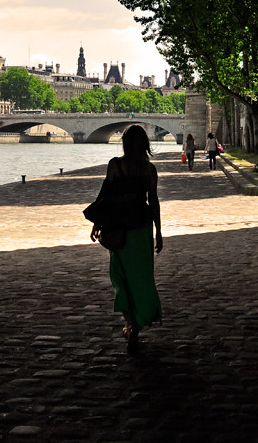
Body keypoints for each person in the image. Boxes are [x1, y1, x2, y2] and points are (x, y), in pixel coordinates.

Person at [89, 125, 163, 353]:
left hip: (119, 228)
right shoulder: (149, 169)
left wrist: (97, 223)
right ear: (145, 144)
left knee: (120, 278)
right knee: (141, 279)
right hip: (141, 229)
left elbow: (106, 198)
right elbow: (154, 203)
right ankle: (137, 324)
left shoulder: (115, 165)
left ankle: (129, 323)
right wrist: (159, 231)